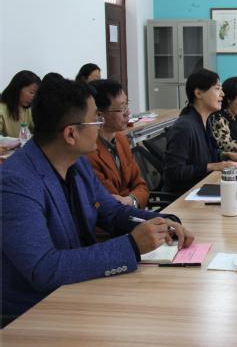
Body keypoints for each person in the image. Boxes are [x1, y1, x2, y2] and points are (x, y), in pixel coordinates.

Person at [1, 77, 193, 324]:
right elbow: (43, 268)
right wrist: (131, 246)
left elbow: (112, 212)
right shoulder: (16, 183)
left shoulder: (77, 163)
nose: (101, 125)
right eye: (96, 120)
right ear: (71, 133)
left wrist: (162, 221)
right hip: (34, 313)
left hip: (80, 289)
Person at [163, 69, 237, 193]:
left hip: (205, 186)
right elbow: (173, 172)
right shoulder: (184, 127)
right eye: (217, 89)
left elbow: (202, 156)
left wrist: (225, 155)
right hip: (187, 196)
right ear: (198, 93)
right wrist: (212, 166)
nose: (222, 94)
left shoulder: (205, 121)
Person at [87, 79, 149, 209]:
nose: (128, 113)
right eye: (122, 108)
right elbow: (112, 201)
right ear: (100, 115)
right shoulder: (89, 153)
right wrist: (130, 200)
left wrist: (131, 200)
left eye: (126, 105)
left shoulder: (121, 139)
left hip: (132, 210)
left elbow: (141, 185)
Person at [0, 70, 41, 137]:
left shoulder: (27, 109)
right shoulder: (2, 110)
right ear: (17, 88)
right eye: (31, 92)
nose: (34, 97)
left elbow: (35, 130)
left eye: (36, 94)